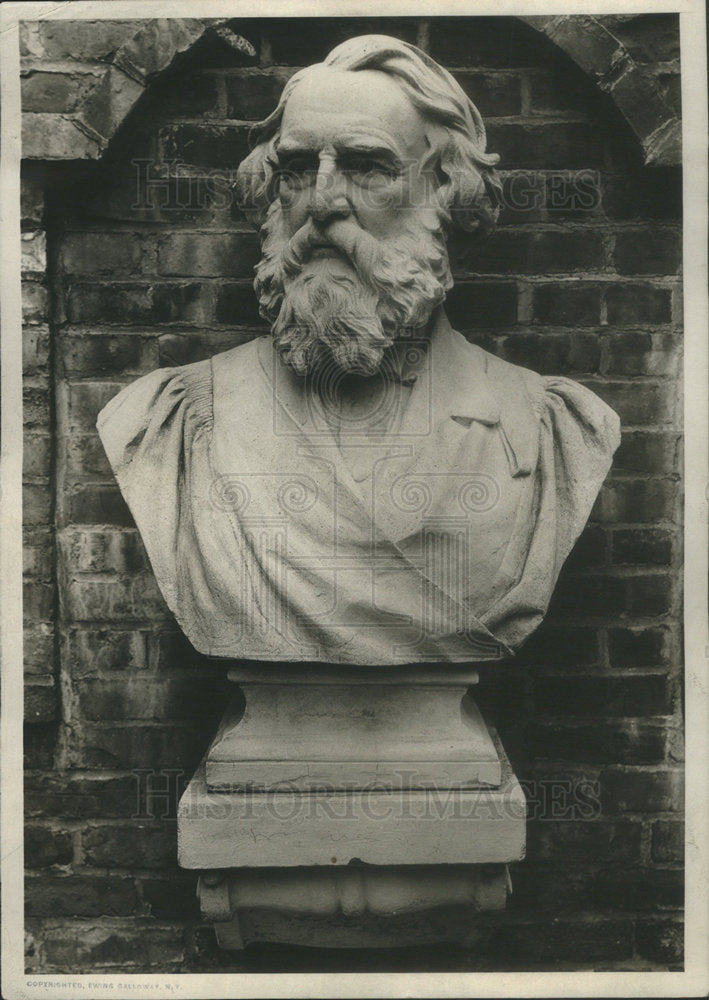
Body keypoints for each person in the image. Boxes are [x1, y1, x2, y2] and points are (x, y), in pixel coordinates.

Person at [97, 35, 620, 665]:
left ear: (447, 195)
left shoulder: (546, 426)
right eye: (295, 170)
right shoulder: (177, 420)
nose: (322, 204)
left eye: (368, 167)